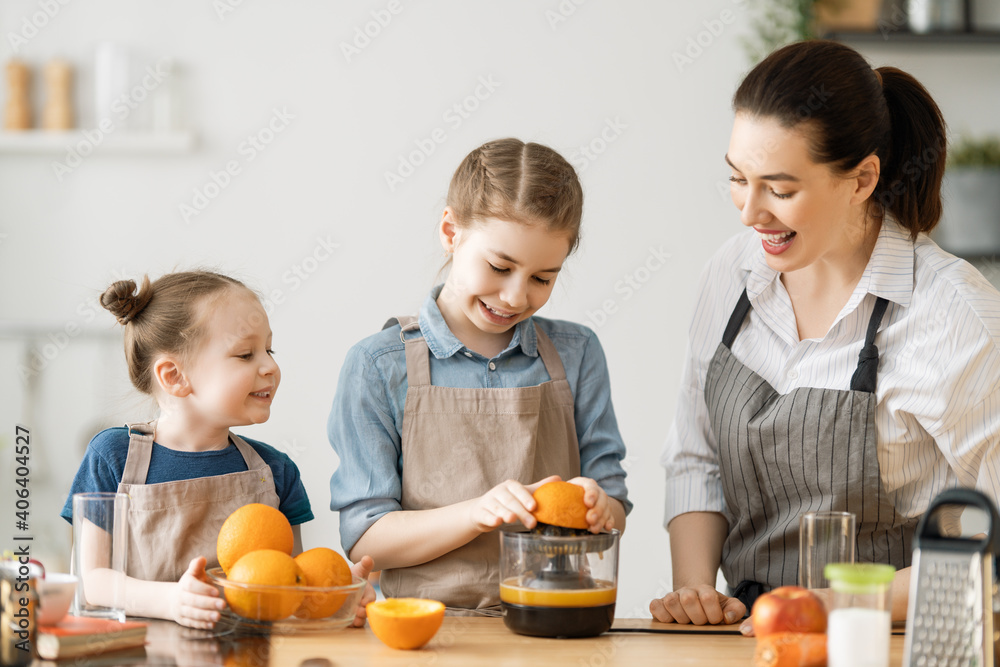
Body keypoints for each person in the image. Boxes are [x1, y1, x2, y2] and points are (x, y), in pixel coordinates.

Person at [650, 40, 1000, 631]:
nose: (749, 212)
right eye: (738, 178)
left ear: (862, 178)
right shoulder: (732, 273)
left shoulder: (954, 318)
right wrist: (695, 591)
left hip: (883, 641)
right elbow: (697, 456)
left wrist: (834, 606)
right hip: (748, 637)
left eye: (781, 190)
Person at [328, 138, 632, 612]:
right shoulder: (376, 365)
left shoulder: (577, 353)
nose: (514, 296)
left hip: (554, 627)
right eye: (499, 266)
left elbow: (614, 505)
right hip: (427, 634)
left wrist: (599, 506)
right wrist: (476, 513)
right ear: (451, 232)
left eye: (542, 278)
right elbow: (367, 539)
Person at [62, 271, 375, 629]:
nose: (271, 366)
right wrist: (171, 600)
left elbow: (288, 591)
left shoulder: (275, 470)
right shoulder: (113, 457)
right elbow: (92, 583)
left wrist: (338, 598)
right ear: (174, 376)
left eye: (268, 349)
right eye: (245, 354)